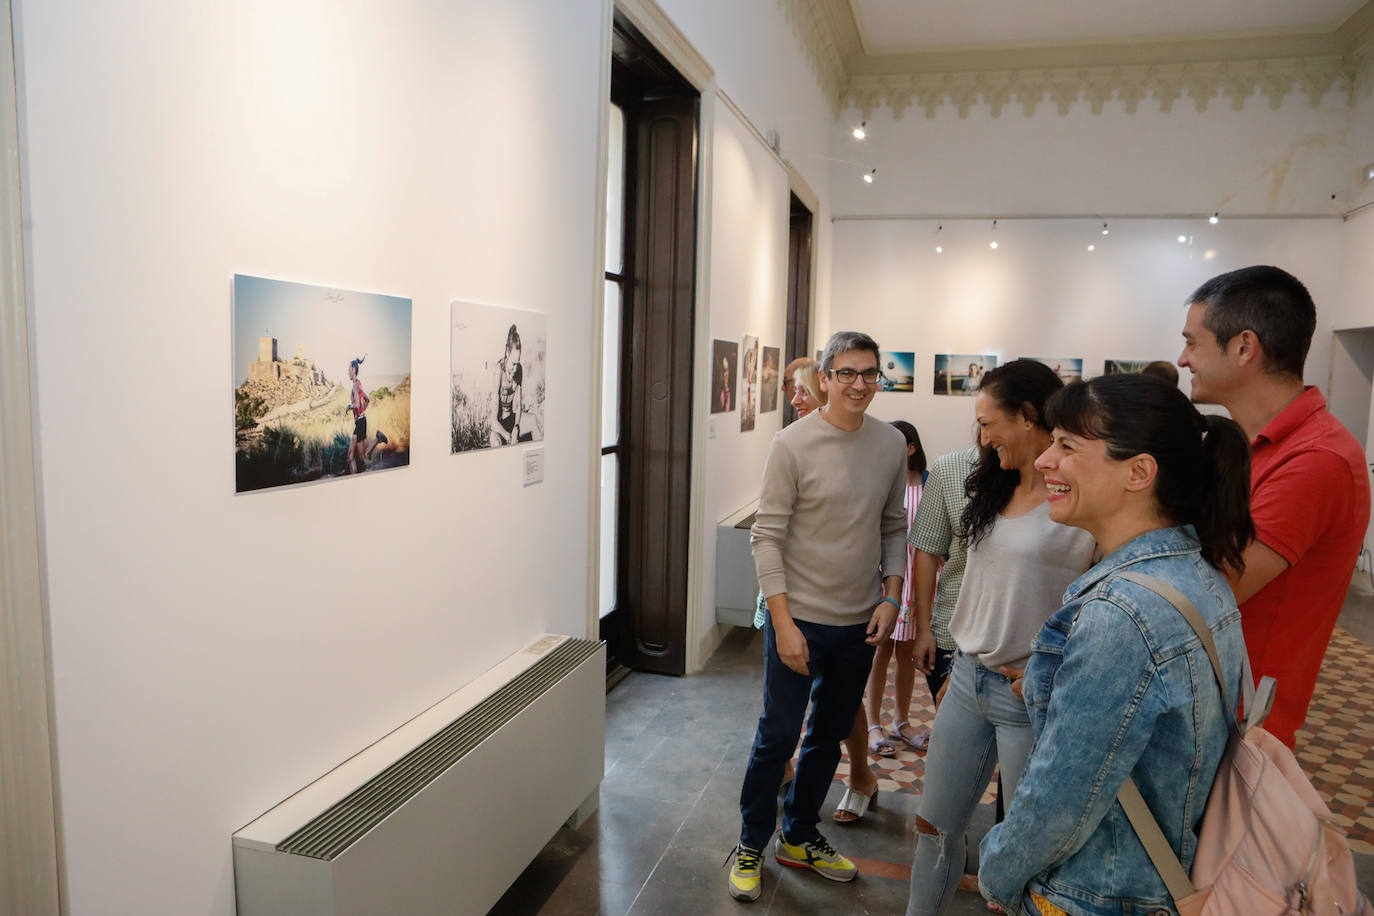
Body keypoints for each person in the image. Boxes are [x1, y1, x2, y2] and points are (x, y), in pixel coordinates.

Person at [978, 373, 1254, 916]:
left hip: (1098, 895)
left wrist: (998, 872)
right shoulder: (1198, 575)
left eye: (1067, 447)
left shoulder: (1123, 613)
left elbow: (1061, 798)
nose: (1044, 462)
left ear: (1139, 472)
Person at [906, 360, 1095, 916]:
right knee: (934, 825)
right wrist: (957, 656)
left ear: (1030, 417)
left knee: (1026, 847)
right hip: (968, 679)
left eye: (991, 424)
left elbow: (1104, 595)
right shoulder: (992, 484)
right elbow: (954, 568)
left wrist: (1050, 672)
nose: (983, 438)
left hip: (1028, 696)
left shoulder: (1077, 497)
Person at [729, 332, 908, 902]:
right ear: (825, 378)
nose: (860, 384)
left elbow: (893, 526)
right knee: (778, 735)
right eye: (848, 373)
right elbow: (767, 537)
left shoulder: (889, 445)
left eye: (870, 374)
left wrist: (892, 595)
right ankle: (752, 841)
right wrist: (783, 624)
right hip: (799, 619)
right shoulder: (791, 443)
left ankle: (799, 834)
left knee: (828, 736)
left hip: (860, 620)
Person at [1177, 265, 1370, 749]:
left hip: (1233, 720)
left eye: (1193, 343)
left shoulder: (1316, 460)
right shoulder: (1247, 443)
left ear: (1244, 347)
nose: (1182, 359)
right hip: (1196, 698)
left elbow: (1213, 591)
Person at [869, 420, 930, 751]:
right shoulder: (880, 481)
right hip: (888, 578)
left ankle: (901, 721)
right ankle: (873, 724)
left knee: (907, 655)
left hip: (918, 580)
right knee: (881, 651)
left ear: (911, 448)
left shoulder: (928, 483)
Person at [492, 324, 524, 446]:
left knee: (533, 422)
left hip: (512, 420)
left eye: (517, 363)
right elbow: (493, 421)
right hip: (499, 427)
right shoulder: (498, 370)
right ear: (507, 353)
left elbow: (519, 404)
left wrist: (516, 426)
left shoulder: (519, 370)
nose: (515, 369)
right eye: (513, 363)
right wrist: (508, 436)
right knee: (496, 443)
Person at [346, 356, 370, 474]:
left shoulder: (355, 385)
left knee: (356, 458)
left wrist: (349, 407)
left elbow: (356, 404)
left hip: (360, 423)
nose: (348, 372)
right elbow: (367, 399)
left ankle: (355, 478)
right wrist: (362, 412)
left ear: (354, 370)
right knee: (355, 456)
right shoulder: (359, 384)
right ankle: (378, 439)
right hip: (361, 421)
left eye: (349, 370)